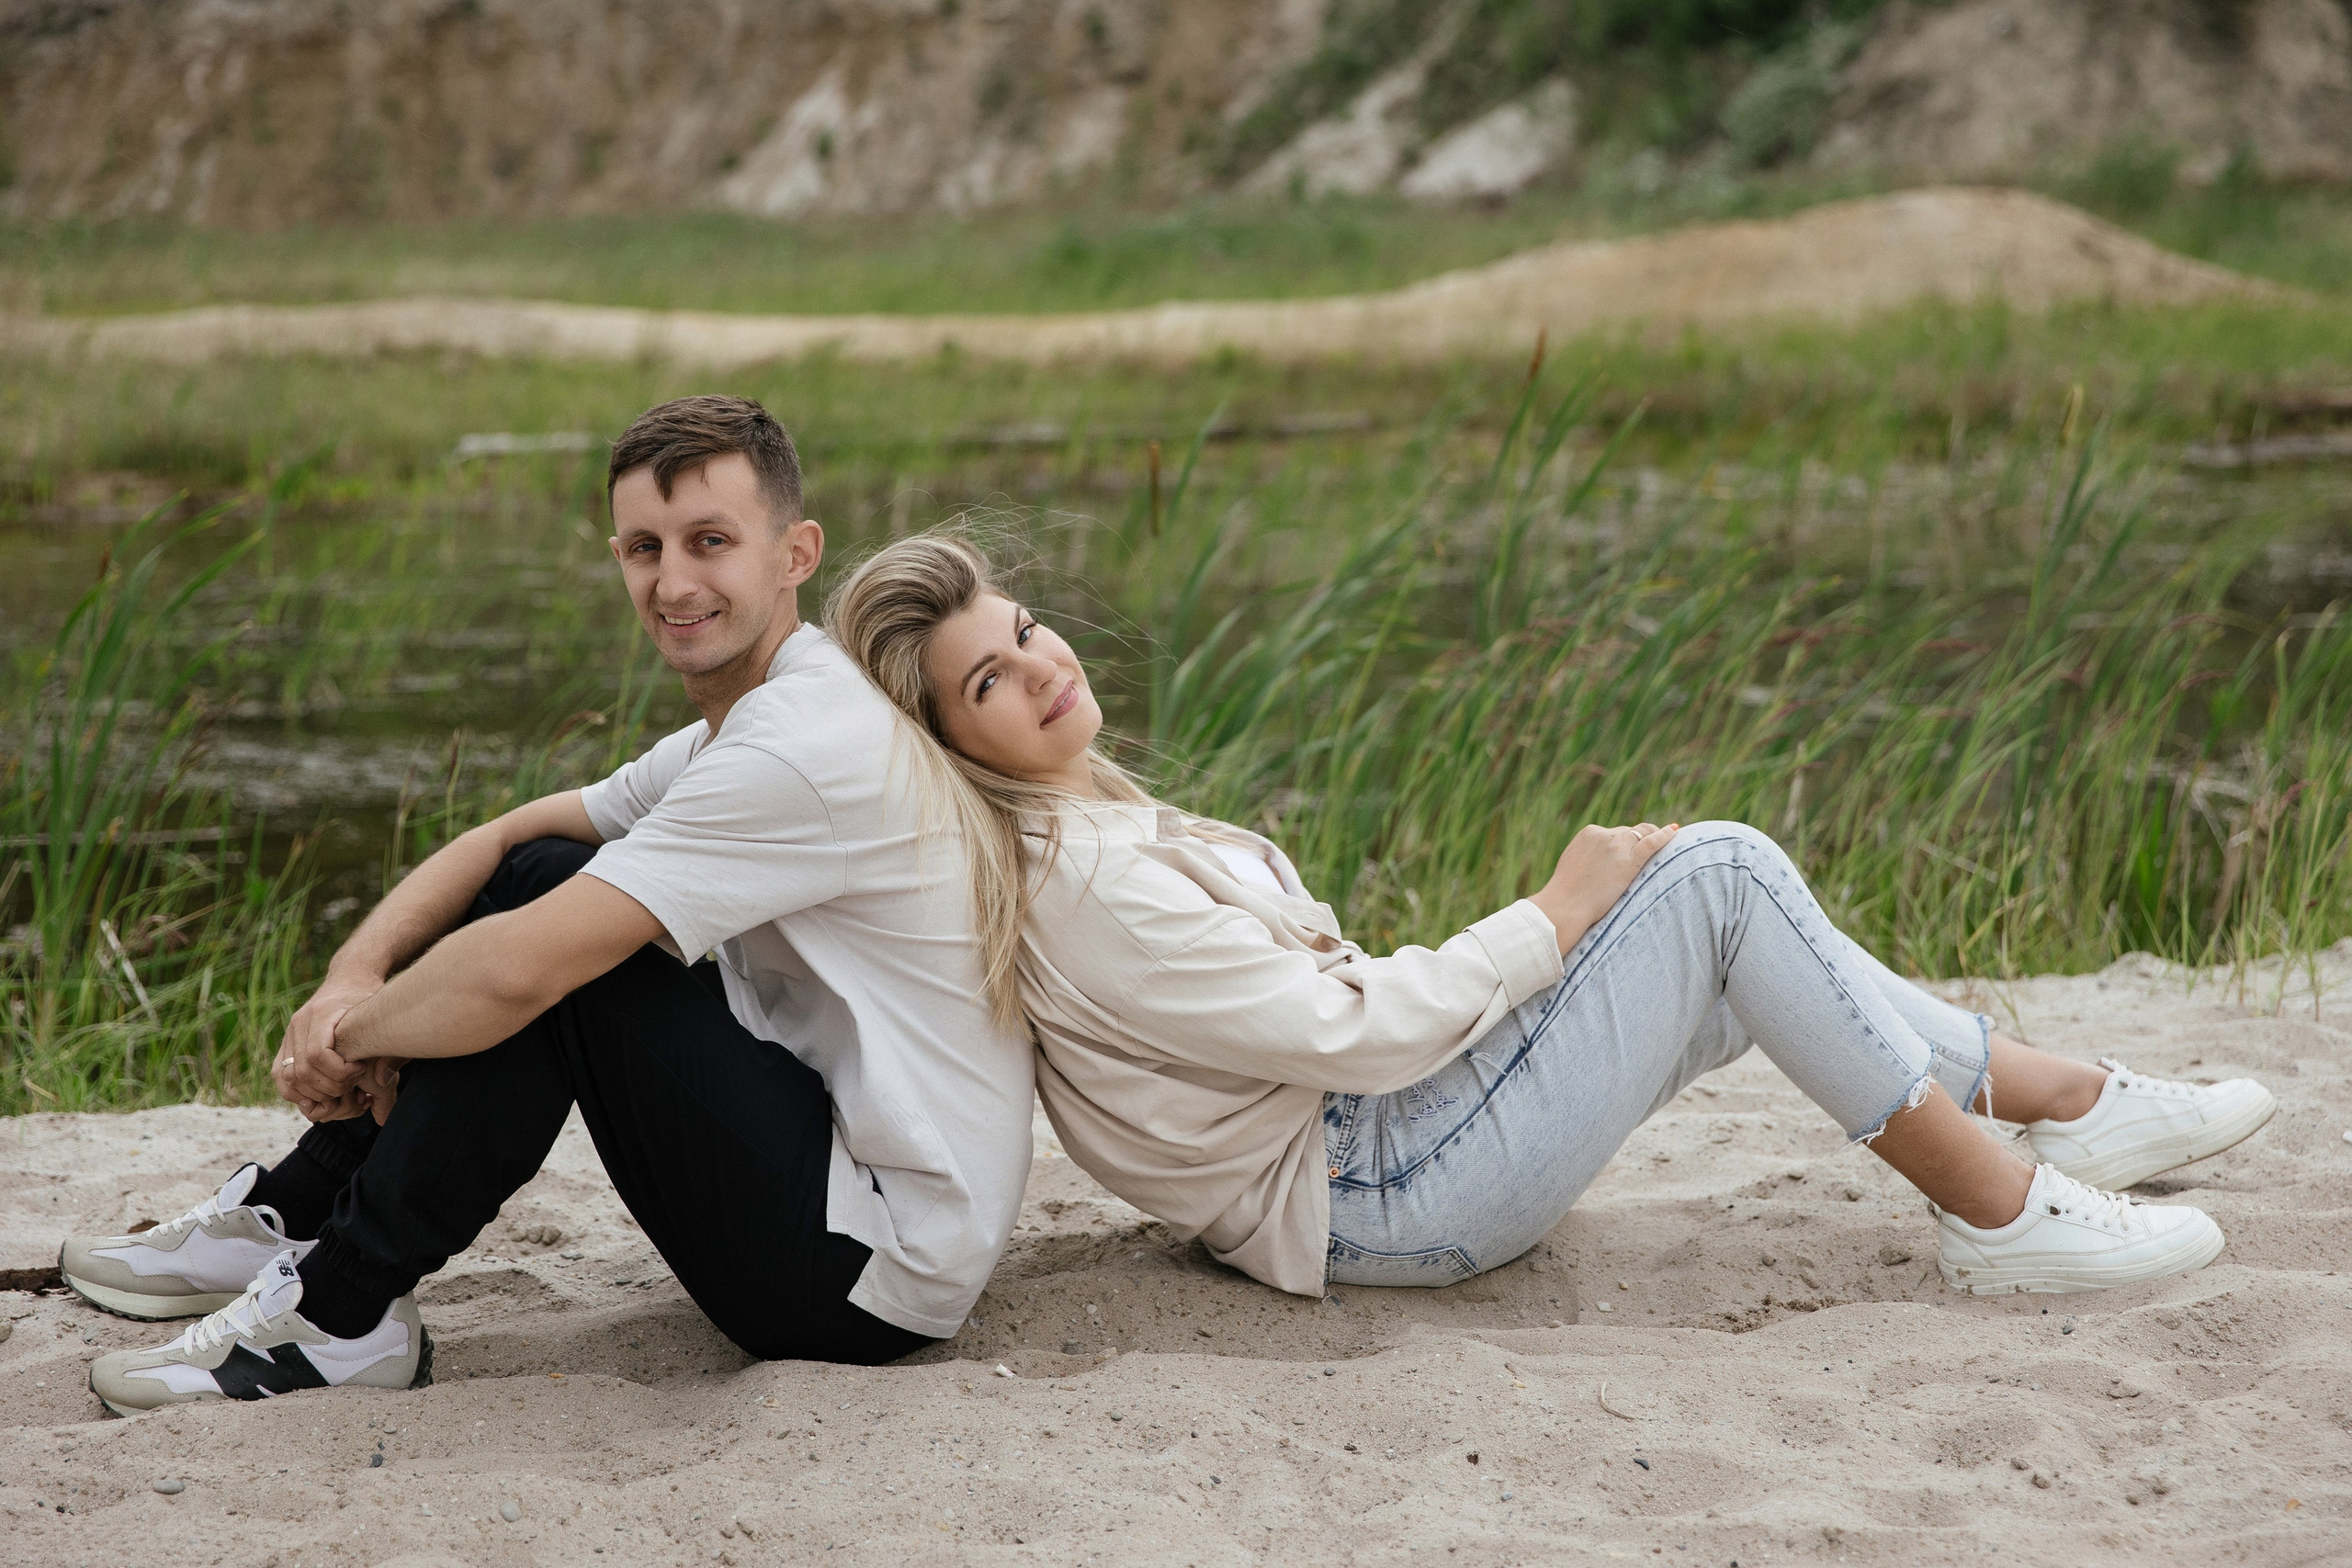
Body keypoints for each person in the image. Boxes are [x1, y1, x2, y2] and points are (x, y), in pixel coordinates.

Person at [824, 533, 2278, 1301]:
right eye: (986, 683)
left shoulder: (1094, 817)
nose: (1038, 667)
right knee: (1710, 872)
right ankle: (2001, 1207)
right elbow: (1362, 1031)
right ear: (951, 742)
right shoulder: (1079, 879)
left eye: (1022, 631)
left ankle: (2070, 1103)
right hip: (1377, 1189)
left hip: (1378, 1149)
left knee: (1723, 927)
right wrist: (1555, 908)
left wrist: (1575, 925)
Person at [68, 400, 1035, 1416]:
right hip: (844, 1180)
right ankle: (295, 1212)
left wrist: (349, 1037)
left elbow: (519, 972)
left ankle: (341, 1308)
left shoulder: (803, 746)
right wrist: (349, 986)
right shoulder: (765, 713)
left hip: (865, 1279)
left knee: (560, 946)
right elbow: (504, 838)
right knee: (546, 870)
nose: (673, 583)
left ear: (796, 553)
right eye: (642, 548)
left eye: (712, 542)